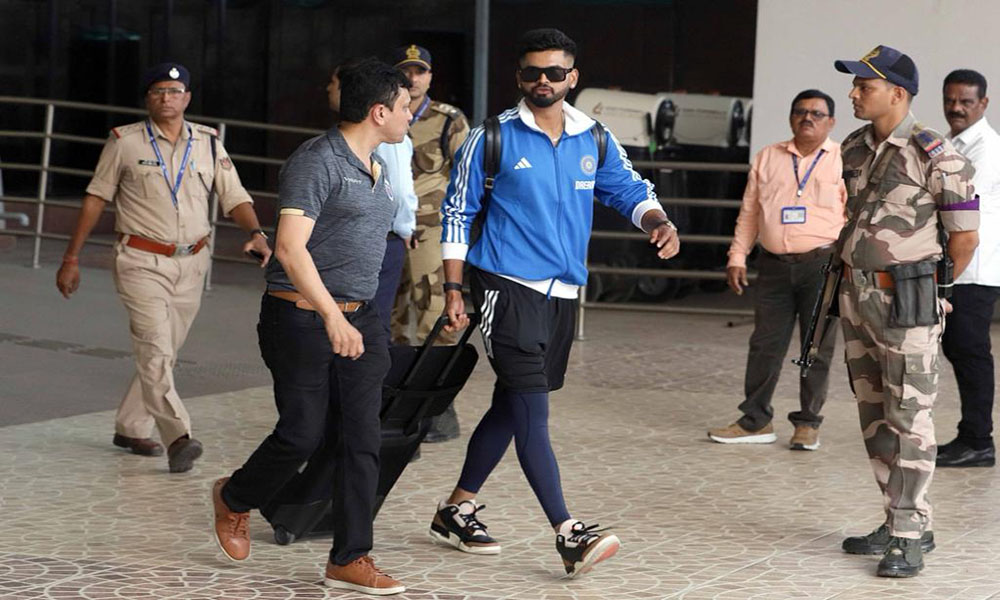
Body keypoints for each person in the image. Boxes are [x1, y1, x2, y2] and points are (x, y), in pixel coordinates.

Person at [433, 28, 680, 578]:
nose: (541, 81)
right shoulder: (492, 136)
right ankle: (568, 532)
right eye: (530, 73)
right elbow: (456, 211)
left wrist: (658, 220)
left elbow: (629, 188)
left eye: (553, 72)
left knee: (513, 403)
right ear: (519, 77)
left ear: (572, 77)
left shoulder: (593, 136)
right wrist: (454, 288)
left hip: (563, 291)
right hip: (503, 284)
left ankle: (456, 508)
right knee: (533, 409)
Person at [211, 58, 410, 596]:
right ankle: (234, 498)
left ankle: (351, 556)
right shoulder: (317, 161)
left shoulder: (379, 165)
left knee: (362, 439)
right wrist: (330, 316)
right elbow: (291, 248)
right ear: (378, 111)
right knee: (301, 433)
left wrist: (361, 317)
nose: (409, 114)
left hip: (360, 320)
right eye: (404, 105)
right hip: (299, 317)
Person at [55, 62, 271, 473]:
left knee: (164, 353)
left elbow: (234, 195)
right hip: (140, 261)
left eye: (175, 91)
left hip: (193, 262)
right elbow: (95, 198)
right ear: (147, 99)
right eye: (158, 91)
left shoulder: (208, 143)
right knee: (155, 349)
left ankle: (130, 424)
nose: (167, 98)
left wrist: (256, 232)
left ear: (187, 98)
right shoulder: (125, 142)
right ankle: (179, 437)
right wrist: (71, 258)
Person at [833, 45, 979, 577]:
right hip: (857, 296)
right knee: (874, 414)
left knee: (911, 417)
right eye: (854, 86)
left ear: (897, 93)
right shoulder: (852, 147)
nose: (853, 94)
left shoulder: (936, 155)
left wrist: (937, 289)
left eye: (863, 87)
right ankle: (898, 517)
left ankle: (910, 533)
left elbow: (965, 239)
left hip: (909, 301)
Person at [708, 89, 847, 451]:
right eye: (801, 111)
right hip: (772, 265)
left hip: (822, 264)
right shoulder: (768, 157)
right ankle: (756, 420)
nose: (808, 118)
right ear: (790, 118)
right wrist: (737, 256)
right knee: (764, 345)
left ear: (831, 122)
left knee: (816, 346)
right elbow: (750, 212)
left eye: (817, 113)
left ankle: (808, 423)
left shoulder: (842, 160)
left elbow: (853, 217)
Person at [390, 43, 471, 443]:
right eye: (406, 71)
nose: (412, 78)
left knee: (433, 313)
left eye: (419, 71)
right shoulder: (385, 115)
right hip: (389, 230)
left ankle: (440, 408)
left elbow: (467, 180)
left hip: (431, 232)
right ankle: (402, 403)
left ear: (430, 77)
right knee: (393, 314)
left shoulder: (447, 120)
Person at [327, 60, 419, 341]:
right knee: (366, 323)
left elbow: (401, 190)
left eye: (332, 83)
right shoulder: (323, 156)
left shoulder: (389, 143)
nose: (410, 116)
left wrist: (404, 227)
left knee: (373, 323)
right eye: (404, 108)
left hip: (385, 238)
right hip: (372, 241)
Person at [937, 69, 1000, 468]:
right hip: (959, 263)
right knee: (959, 348)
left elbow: (957, 206)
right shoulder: (954, 142)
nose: (956, 108)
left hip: (974, 267)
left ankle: (978, 440)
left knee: (971, 351)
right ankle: (972, 435)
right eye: (951, 100)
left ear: (984, 104)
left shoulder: (986, 150)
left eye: (966, 101)